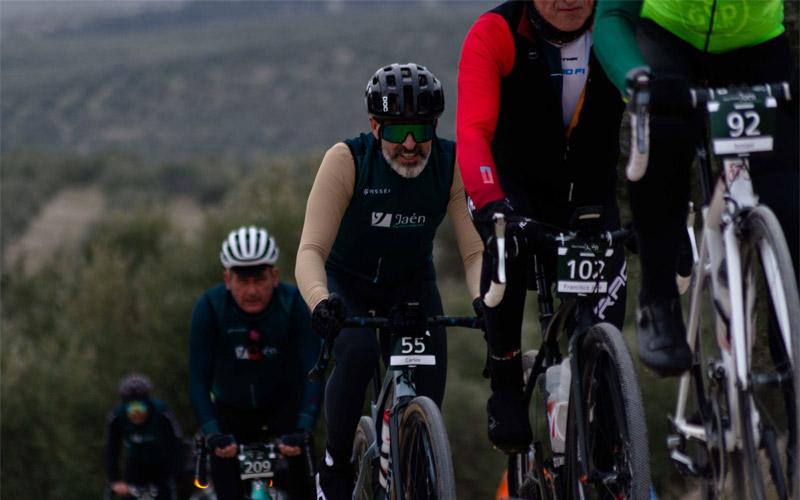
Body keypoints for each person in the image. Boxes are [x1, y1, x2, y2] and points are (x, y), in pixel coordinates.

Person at [295, 62, 483, 499]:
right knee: (357, 352)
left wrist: (484, 302)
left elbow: (474, 253)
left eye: (421, 129)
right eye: (398, 132)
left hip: (410, 284)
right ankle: (334, 466)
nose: (412, 144)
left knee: (429, 398)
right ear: (375, 127)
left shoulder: (451, 163)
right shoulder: (347, 160)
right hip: (347, 284)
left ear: (436, 124)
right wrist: (322, 302)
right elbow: (310, 252)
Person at [456, 0, 628, 452]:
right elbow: (472, 132)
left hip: (589, 191)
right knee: (506, 246)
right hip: (516, 189)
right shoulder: (496, 32)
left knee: (607, 329)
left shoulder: (617, 23)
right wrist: (494, 204)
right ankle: (507, 376)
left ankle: (600, 403)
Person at [593, 0, 799, 376]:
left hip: (758, 50)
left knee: (789, 204)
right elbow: (612, 15)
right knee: (664, 142)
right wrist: (634, 78)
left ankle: (792, 365)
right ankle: (658, 300)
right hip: (669, 42)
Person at [189, 226, 322, 499]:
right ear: (227, 279)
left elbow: (315, 369)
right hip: (230, 416)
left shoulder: (294, 303)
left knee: (305, 490)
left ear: (274, 276)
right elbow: (197, 378)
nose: (252, 290)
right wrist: (212, 432)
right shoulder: (210, 307)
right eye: (242, 280)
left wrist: (304, 427)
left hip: (285, 413)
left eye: (259, 279)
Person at [106, 373, 182, 500]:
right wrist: (115, 479)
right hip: (134, 464)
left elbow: (176, 443)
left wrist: (174, 475)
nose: (136, 413)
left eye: (140, 407)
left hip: (161, 464)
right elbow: (112, 449)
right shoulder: (116, 417)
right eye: (131, 409)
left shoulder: (162, 412)